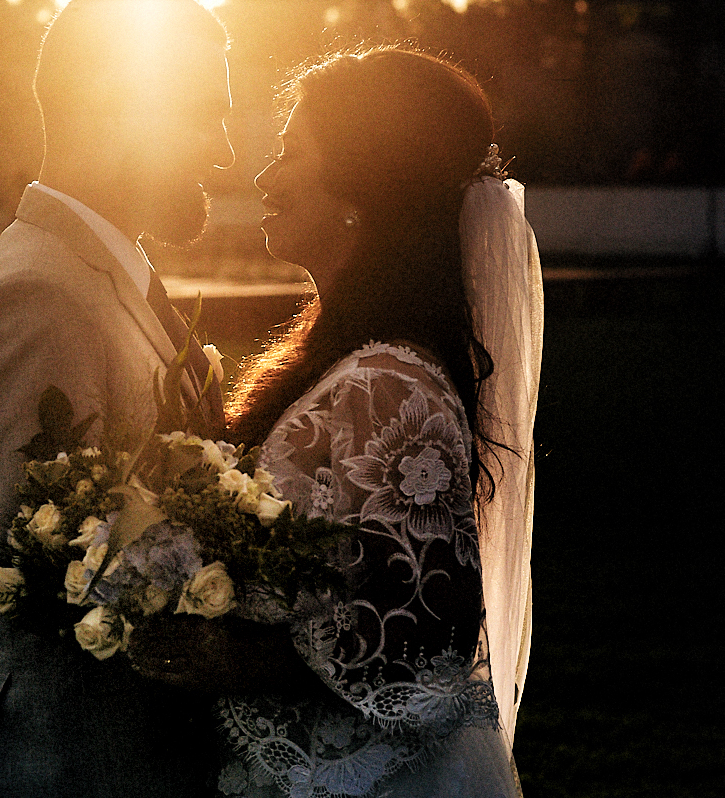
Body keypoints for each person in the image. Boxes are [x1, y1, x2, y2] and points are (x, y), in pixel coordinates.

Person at [214, 46, 542, 797]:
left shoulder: (390, 383)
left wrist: (225, 652)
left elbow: (424, 653)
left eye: (290, 151)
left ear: (362, 182)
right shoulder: (349, 361)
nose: (264, 177)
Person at [0, 1, 231, 796]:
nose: (226, 150)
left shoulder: (106, 272)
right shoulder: (39, 294)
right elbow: (50, 575)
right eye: (207, 117)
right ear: (118, 111)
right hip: (70, 761)